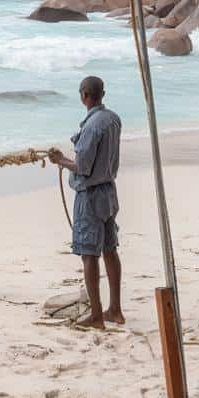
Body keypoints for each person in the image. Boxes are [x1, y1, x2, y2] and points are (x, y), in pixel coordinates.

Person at [48, 75, 124, 329]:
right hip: (109, 192)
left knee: (89, 255)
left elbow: (82, 167)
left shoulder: (91, 126)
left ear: (84, 95)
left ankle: (97, 315)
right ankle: (115, 309)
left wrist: (60, 160)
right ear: (102, 94)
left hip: (90, 196)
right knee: (110, 249)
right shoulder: (113, 119)